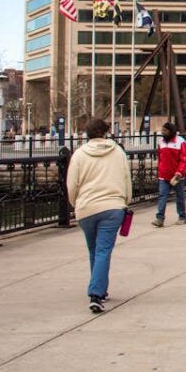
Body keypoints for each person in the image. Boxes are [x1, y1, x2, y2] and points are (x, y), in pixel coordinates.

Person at [66, 117, 132, 314]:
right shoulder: (117, 152)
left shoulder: (79, 155)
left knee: (94, 250)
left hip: (86, 207)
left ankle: (99, 289)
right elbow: (126, 178)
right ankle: (96, 293)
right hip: (112, 206)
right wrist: (125, 201)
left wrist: (75, 203)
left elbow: (72, 185)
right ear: (106, 132)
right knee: (103, 250)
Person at [152, 121, 186, 227]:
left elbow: (184, 159)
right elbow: (160, 158)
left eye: (164, 130)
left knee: (180, 196)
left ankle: (182, 216)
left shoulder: (180, 142)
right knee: (162, 196)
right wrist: (159, 170)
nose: (162, 132)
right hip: (164, 174)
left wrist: (180, 172)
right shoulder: (161, 142)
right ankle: (160, 218)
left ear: (170, 131)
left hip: (176, 176)